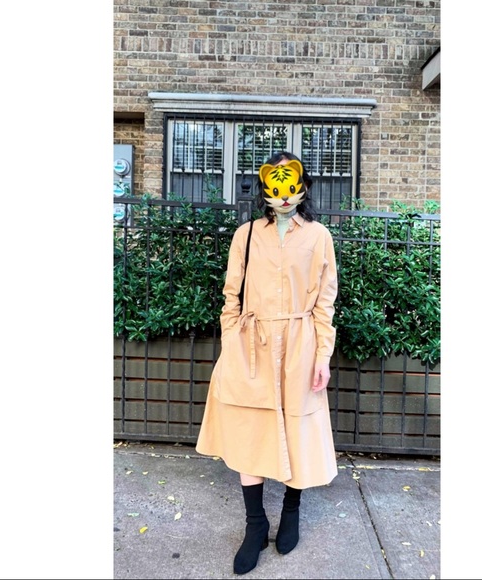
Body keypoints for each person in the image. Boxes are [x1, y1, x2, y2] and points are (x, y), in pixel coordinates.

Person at [195, 151, 338, 575]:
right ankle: (255, 524)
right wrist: (231, 339)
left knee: (298, 425)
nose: (285, 197)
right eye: (276, 189)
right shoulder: (247, 234)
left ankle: (291, 511)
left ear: (303, 187)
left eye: (293, 187)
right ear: (265, 191)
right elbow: (231, 294)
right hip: (252, 343)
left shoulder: (318, 237)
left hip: (300, 343)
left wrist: (323, 355)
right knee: (249, 430)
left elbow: (325, 301)